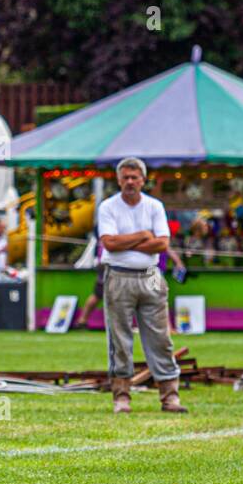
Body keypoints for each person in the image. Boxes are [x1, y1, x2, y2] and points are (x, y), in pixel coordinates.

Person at [98, 158, 187, 414]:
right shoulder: (108, 207)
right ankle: (121, 396)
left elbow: (161, 244)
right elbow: (109, 244)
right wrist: (143, 235)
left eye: (134, 177)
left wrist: (127, 241)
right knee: (119, 338)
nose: (129, 182)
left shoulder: (154, 206)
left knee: (160, 338)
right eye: (125, 177)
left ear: (143, 180)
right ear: (118, 180)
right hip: (118, 275)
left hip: (149, 274)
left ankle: (170, 396)